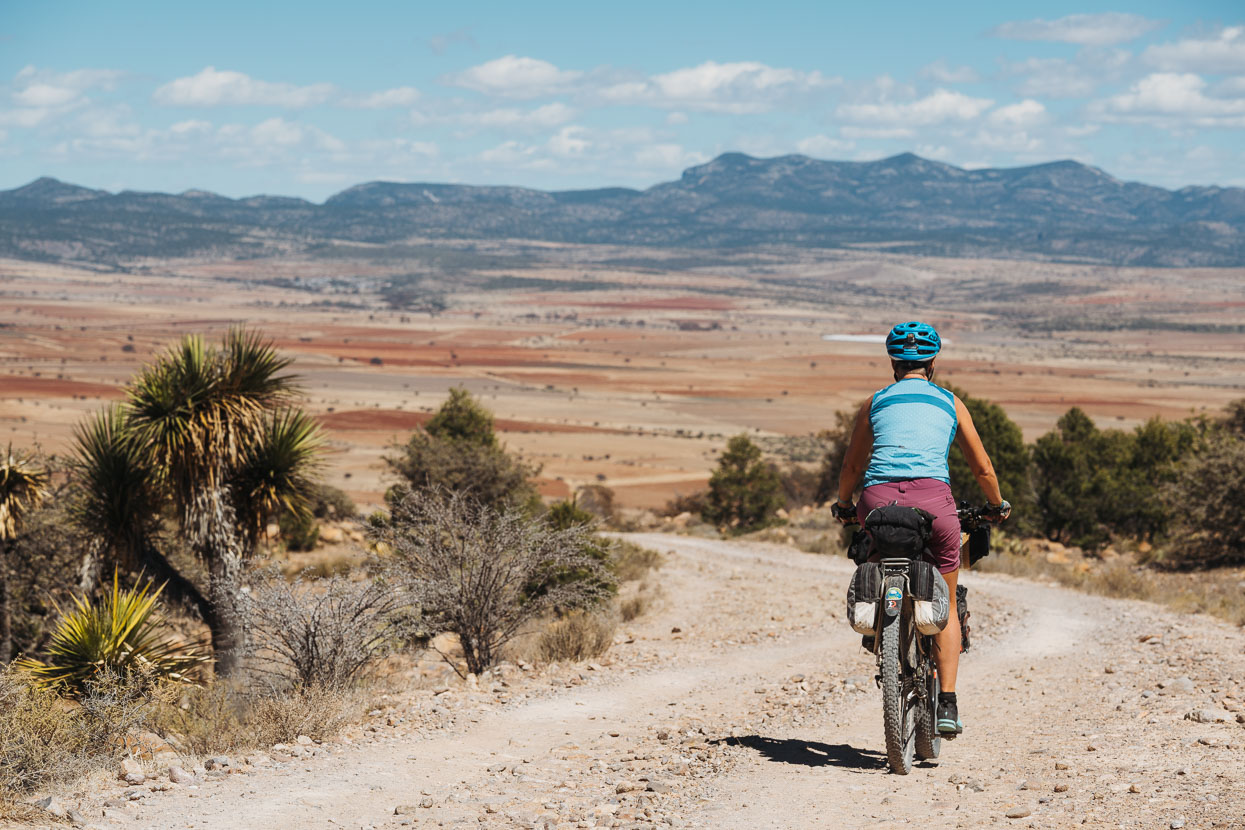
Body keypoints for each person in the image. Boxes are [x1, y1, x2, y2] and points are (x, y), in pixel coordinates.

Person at [831, 320, 1010, 735]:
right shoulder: (950, 402)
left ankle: (880, 625)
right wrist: (997, 505)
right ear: (931, 362)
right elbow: (981, 467)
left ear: (894, 362)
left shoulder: (875, 402)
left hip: (877, 504)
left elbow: (852, 467)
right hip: (935, 505)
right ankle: (947, 704)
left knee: (876, 555)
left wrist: (844, 505)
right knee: (945, 604)